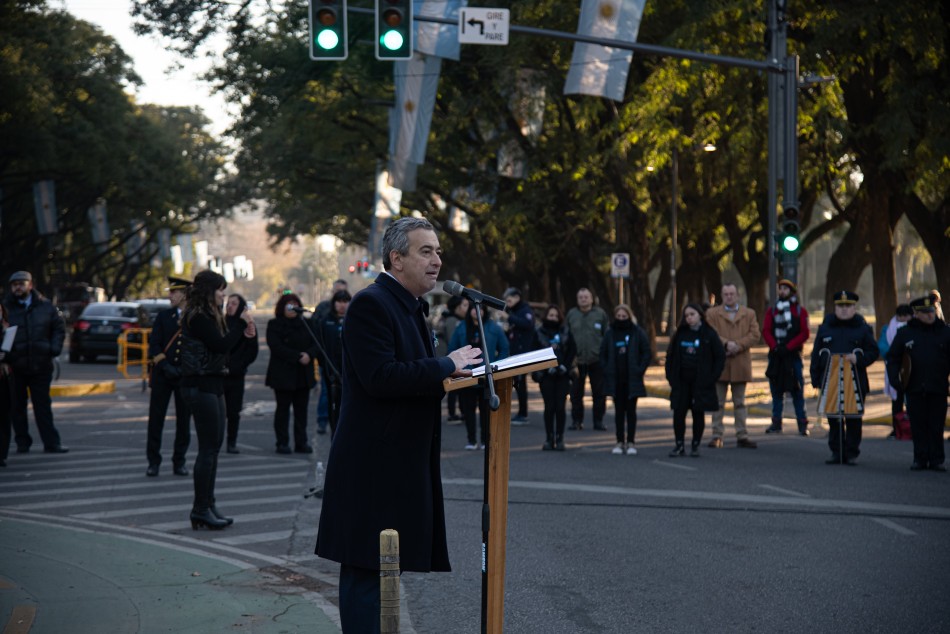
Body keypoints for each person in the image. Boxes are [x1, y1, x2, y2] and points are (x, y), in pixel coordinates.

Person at [315, 217, 482, 634]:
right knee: (365, 574)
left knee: (384, 571)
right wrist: (445, 365)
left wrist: (450, 375)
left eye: (439, 251)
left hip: (397, 464)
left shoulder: (409, 305)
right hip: (372, 465)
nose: (437, 260)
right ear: (397, 258)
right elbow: (381, 377)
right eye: (426, 251)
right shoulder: (372, 303)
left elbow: (412, 374)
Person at [180, 270, 256, 530]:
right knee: (208, 450)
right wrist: (237, 322)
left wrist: (241, 329)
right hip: (199, 385)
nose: (224, 294)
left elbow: (226, 345)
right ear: (209, 290)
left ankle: (208, 504)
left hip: (213, 384)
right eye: (220, 289)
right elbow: (221, 345)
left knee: (213, 448)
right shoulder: (198, 316)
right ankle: (200, 509)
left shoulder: (210, 315)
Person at [2, 271, 68, 454]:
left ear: (30, 285)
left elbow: (58, 328)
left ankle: (52, 443)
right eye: (14, 284)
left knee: (43, 406)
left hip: (41, 364)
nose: (18, 287)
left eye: (21, 283)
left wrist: (53, 348)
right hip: (15, 365)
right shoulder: (6, 307)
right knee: (17, 407)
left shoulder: (45, 306)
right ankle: (22, 443)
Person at [810, 291, 878, 466]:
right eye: (841, 306)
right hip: (831, 380)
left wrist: (859, 359)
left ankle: (851, 453)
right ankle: (836, 452)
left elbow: (873, 352)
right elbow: (816, 355)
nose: (844, 310)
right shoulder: (826, 327)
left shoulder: (862, 327)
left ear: (854, 307)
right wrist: (816, 379)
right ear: (835, 307)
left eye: (848, 306)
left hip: (855, 381)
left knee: (854, 419)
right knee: (834, 418)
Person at [886, 295, 950, 472]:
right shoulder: (906, 333)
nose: (930, 315)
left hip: (938, 387)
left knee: (936, 425)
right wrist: (895, 380)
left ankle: (937, 459)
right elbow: (893, 358)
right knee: (918, 424)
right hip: (914, 387)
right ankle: (920, 458)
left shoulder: (945, 332)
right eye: (925, 312)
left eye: (932, 311)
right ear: (917, 314)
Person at [145, 276, 192, 477]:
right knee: (156, 420)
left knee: (184, 421)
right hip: (163, 375)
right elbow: (154, 345)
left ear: (185, 295)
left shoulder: (193, 317)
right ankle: (153, 462)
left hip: (183, 376)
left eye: (174, 292)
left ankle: (179, 461)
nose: (170, 295)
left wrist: (183, 368)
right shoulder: (164, 317)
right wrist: (165, 366)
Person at [665, 303, 725, 457]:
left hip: (701, 382)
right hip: (681, 381)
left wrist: (712, 377)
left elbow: (719, 356)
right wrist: (671, 377)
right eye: (686, 315)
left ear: (700, 315)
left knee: (698, 413)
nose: (689, 318)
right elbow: (670, 356)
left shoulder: (709, 334)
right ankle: (679, 444)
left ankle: (695, 444)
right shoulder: (680, 334)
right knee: (679, 413)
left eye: (692, 314)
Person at [704, 283, 760, 449]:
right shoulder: (712, 313)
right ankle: (716, 435)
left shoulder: (749, 313)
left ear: (737, 295)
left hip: (740, 362)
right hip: (720, 362)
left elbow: (755, 334)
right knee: (718, 402)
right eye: (726, 294)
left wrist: (738, 345)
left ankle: (742, 435)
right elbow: (710, 333)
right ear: (722, 295)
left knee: (740, 402)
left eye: (732, 294)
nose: (729, 296)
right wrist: (726, 344)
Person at [449, 302, 509, 450]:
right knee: (468, 410)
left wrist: (496, 365)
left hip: (487, 376)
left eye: (481, 309)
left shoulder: (494, 327)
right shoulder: (461, 327)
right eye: (474, 309)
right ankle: (471, 440)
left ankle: (484, 440)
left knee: (486, 410)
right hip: (467, 376)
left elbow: (504, 348)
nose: (477, 312)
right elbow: (452, 348)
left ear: (484, 311)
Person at [265, 293, 320, 454]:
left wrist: (309, 355)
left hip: (303, 374)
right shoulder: (275, 324)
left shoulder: (307, 323)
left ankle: (301, 442)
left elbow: (317, 343)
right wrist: (297, 357)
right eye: (288, 305)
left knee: (301, 411)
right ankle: (282, 442)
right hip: (283, 373)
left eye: (294, 304)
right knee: (283, 410)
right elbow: (275, 346)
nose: (291, 308)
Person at [600, 304, 650, 455]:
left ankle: (631, 442)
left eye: (624, 316)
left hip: (632, 379)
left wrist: (639, 369)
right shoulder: (610, 333)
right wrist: (607, 369)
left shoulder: (637, 332)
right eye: (619, 316)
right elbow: (602, 353)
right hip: (616, 380)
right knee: (619, 412)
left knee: (631, 412)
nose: (621, 319)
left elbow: (646, 352)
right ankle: (619, 441)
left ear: (629, 316)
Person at [762, 279, 810, 435]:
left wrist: (789, 347)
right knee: (776, 391)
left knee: (797, 390)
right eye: (780, 288)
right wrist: (775, 347)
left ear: (792, 291)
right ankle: (776, 423)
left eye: (785, 289)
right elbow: (766, 330)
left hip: (793, 356)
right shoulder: (772, 310)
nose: (782, 291)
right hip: (776, 356)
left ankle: (802, 424)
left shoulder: (799, 311)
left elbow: (805, 332)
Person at [566, 287, 609, 430]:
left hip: (596, 360)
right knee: (576, 394)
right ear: (577, 300)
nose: (583, 299)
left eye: (586, 297)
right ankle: (577, 421)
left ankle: (598, 421)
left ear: (591, 299)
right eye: (581, 297)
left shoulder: (600, 314)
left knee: (599, 393)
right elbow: (566, 336)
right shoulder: (571, 314)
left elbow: (607, 335)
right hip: (576, 361)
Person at [534, 305, 576, 451]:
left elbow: (572, 351)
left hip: (563, 375)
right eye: (550, 315)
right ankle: (548, 437)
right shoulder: (539, 332)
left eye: (555, 316)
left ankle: (560, 438)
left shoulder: (565, 332)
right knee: (549, 407)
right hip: (546, 376)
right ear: (546, 316)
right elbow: (534, 352)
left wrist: (565, 365)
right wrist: (546, 368)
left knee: (560, 407)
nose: (553, 318)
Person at [223, 293, 259, 453]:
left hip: (236, 375)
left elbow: (253, 350)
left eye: (234, 303)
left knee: (233, 411)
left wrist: (240, 365)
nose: (230, 306)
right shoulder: (220, 322)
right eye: (228, 303)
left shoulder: (248, 324)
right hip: (219, 373)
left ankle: (232, 442)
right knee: (217, 411)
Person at [313, 279, 349, 435]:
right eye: (339, 300)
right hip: (329, 367)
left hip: (347, 369)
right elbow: (319, 340)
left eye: (345, 301)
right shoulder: (325, 316)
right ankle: (324, 421)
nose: (342, 305)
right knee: (328, 396)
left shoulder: (354, 318)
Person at [878, 303, 913, 439]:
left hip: (913, 371)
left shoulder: (916, 328)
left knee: (912, 401)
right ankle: (897, 429)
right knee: (896, 401)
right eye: (901, 316)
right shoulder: (888, 329)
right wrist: (896, 354)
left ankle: (913, 428)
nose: (903, 319)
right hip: (895, 370)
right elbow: (882, 346)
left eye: (906, 316)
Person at [504, 287, 536, 424]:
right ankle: (521, 413)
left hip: (523, 353)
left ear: (517, 297)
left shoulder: (525, 310)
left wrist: (509, 318)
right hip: (515, 352)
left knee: (521, 383)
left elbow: (527, 324)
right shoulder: (515, 311)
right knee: (518, 383)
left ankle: (523, 414)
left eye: (509, 299)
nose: (507, 302)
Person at [437, 295, 468, 422]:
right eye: (464, 305)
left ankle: (455, 412)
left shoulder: (448, 318)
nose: (467, 309)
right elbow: (453, 342)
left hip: (443, 358)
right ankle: (452, 414)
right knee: (454, 386)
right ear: (456, 307)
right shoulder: (453, 321)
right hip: (446, 358)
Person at [0, 304, 12, 467]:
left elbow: (14, 351)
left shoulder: (8, 328)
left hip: (4, 378)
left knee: (4, 415)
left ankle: (2, 453)